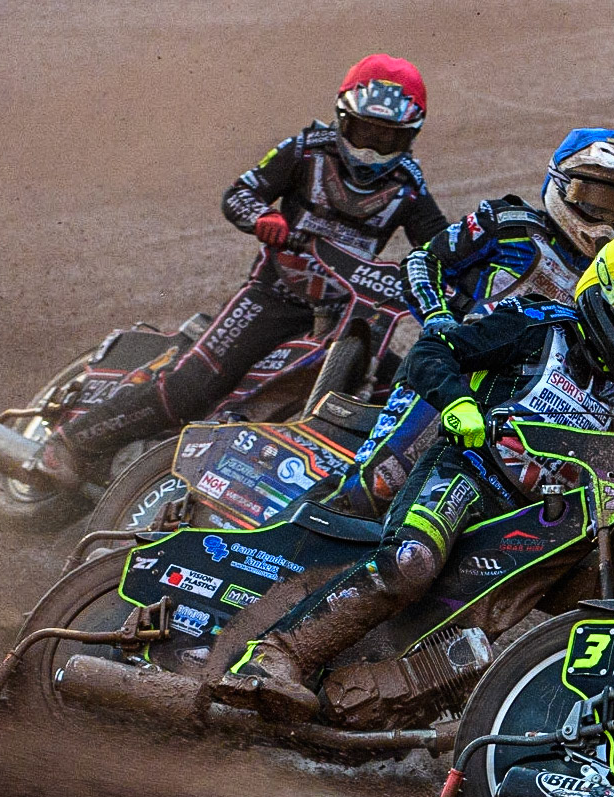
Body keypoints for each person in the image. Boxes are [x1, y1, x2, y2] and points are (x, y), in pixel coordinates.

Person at [214, 233, 614, 722]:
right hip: (466, 474)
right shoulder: (535, 326)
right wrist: (458, 403)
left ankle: (591, 734)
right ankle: (273, 656)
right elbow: (430, 354)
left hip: (539, 522)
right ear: (605, 293)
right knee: (411, 562)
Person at [34, 55, 448, 485]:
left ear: (409, 136)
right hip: (273, 297)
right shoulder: (305, 150)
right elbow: (240, 193)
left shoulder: (410, 188)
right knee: (192, 390)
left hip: (349, 319)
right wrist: (261, 219)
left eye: (386, 137)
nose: (371, 147)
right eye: (365, 130)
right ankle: (71, 441)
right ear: (343, 118)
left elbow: (443, 248)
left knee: (404, 390)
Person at [403, 127, 614, 387]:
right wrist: (436, 316)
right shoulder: (507, 223)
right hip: (454, 368)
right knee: (389, 461)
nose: (606, 220)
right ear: (564, 186)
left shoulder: (613, 275)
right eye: (598, 203)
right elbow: (424, 261)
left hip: (537, 406)